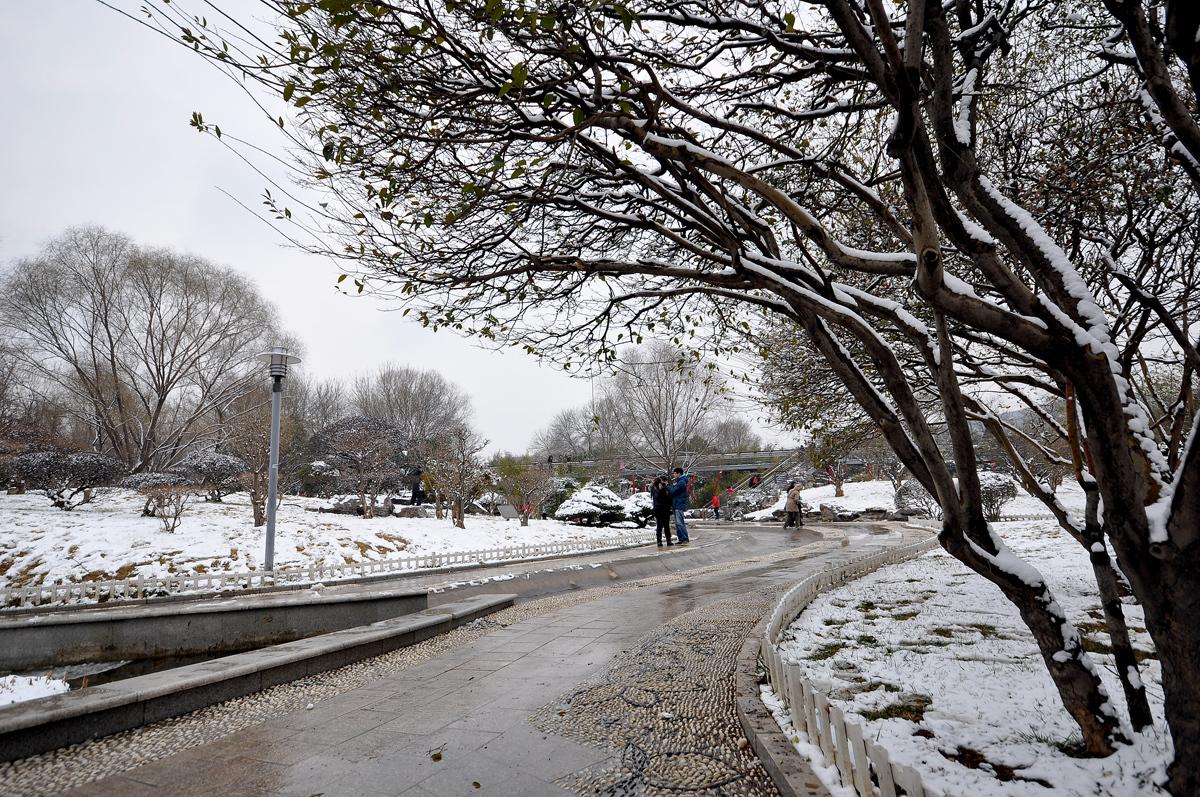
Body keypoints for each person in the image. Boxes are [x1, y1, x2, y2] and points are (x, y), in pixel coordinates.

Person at [669, 467, 691, 544]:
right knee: (678, 523)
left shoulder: (681, 482)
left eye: (675, 473)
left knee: (680, 523)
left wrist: (670, 487)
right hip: (676, 504)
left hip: (679, 504)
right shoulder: (679, 481)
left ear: (679, 473)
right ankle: (681, 539)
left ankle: (684, 538)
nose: (674, 475)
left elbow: (673, 491)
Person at [650, 476, 673, 547]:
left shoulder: (656, 489)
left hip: (661, 509)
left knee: (663, 526)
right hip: (661, 509)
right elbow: (661, 498)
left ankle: (665, 541)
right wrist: (662, 490)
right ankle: (663, 541)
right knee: (662, 526)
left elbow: (668, 498)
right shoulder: (656, 489)